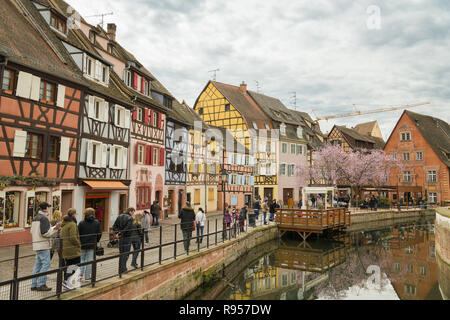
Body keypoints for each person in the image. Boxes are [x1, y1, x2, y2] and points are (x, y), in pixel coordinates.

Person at [31, 202, 60, 291]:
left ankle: (34, 284)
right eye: (48, 207)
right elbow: (45, 233)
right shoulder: (44, 219)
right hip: (43, 245)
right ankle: (41, 284)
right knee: (45, 265)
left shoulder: (35, 218)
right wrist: (55, 229)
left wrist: (52, 228)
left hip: (37, 244)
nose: (49, 209)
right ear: (46, 208)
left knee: (37, 265)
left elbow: (32, 231)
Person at [78, 207, 102, 283]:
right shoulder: (97, 222)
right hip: (92, 244)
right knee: (89, 261)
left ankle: (80, 276)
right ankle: (87, 278)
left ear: (85, 214)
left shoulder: (81, 223)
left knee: (81, 260)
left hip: (82, 244)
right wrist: (96, 240)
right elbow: (99, 234)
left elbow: (78, 233)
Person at [61, 208, 81, 290]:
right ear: (74, 214)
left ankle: (66, 281)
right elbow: (73, 237)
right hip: (72, 248)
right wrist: (78, 244)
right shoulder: (72, 224)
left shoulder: (64, 224)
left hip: (66, 248)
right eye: (76, 213)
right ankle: (69, 283)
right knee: (74, 266)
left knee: (69, 265)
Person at [113, 207, 135, 273]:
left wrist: (117, 233)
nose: (133, 214)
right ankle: (124, 269)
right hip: (127, 237)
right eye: (133, 212)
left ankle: (120, 268)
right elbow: (127, 228)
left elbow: (114, 226)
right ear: (130, 211)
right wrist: (120, 233)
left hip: (120, 238)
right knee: (126, 253)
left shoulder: (119, 216)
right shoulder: (130, 218)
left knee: (121, 253)